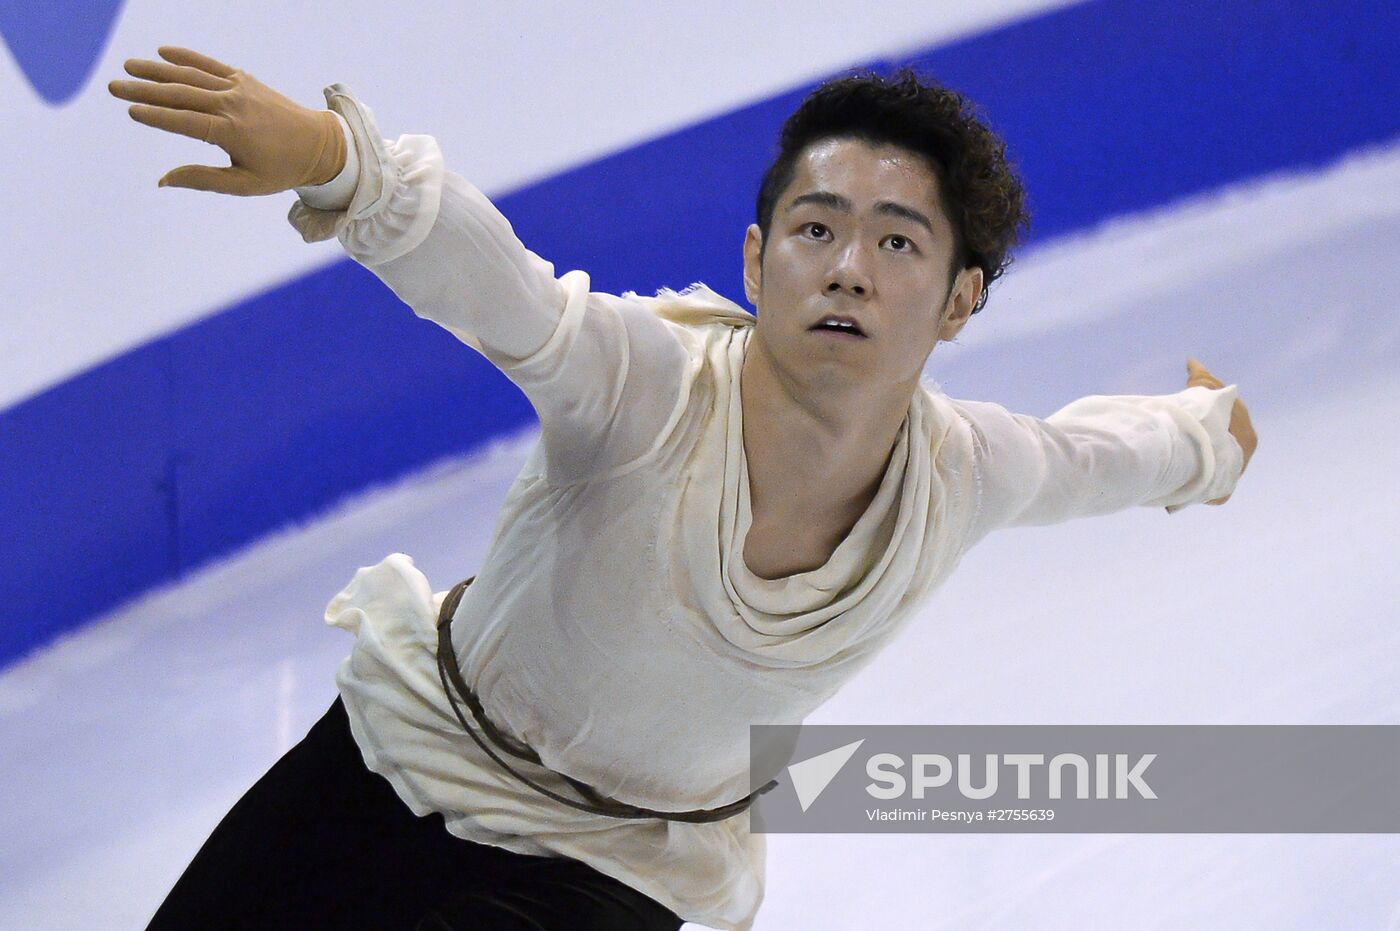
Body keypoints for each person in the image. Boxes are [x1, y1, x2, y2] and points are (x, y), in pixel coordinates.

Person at [110, 45, 1257, 931]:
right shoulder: (648, 385)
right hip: (393, 766)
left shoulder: (958, 474)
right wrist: (336, 161)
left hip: (611, 874)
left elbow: (1095, 455)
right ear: (758, 261)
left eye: (898, 244)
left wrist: (1204, 434)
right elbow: (502, 292)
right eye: (817, 228)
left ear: (960, 301)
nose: (848, 266)